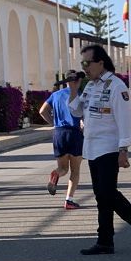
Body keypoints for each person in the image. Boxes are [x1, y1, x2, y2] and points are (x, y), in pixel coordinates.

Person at [68, 44, 131, 254]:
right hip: (92, 147)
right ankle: (105, 240)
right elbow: (76, 110)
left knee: (107, 192)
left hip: (109, 147)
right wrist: (73, 89)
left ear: (101, 63)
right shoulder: (90, 86)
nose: (85, 67)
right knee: (101, 195)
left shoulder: (117, 86)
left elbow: (125, 120)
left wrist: (124, 148)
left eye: (88, 63)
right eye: (82, 63)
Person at [39, 71, 84, 210]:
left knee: (63, 168)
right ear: (77, 81)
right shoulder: (79, 95)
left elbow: (42, 111)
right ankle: (69, 200)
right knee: (75, 171)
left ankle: (56, 174)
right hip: (74, 133)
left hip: (59, 133)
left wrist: (53, 122)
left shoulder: (55, 95)